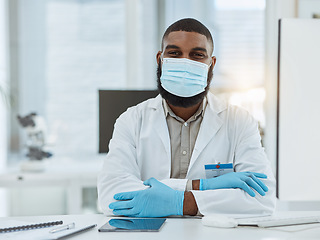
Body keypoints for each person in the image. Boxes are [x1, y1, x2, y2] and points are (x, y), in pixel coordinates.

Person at [97, 18, 276, 217]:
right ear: (160, 59)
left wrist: (179, 202)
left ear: (211, 63)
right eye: (174, 53)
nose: (185, 63)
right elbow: (111, 196)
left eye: (197, 55)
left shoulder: (239, 121)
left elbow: (262, 199)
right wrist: (200, 187)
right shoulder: (131, 120)